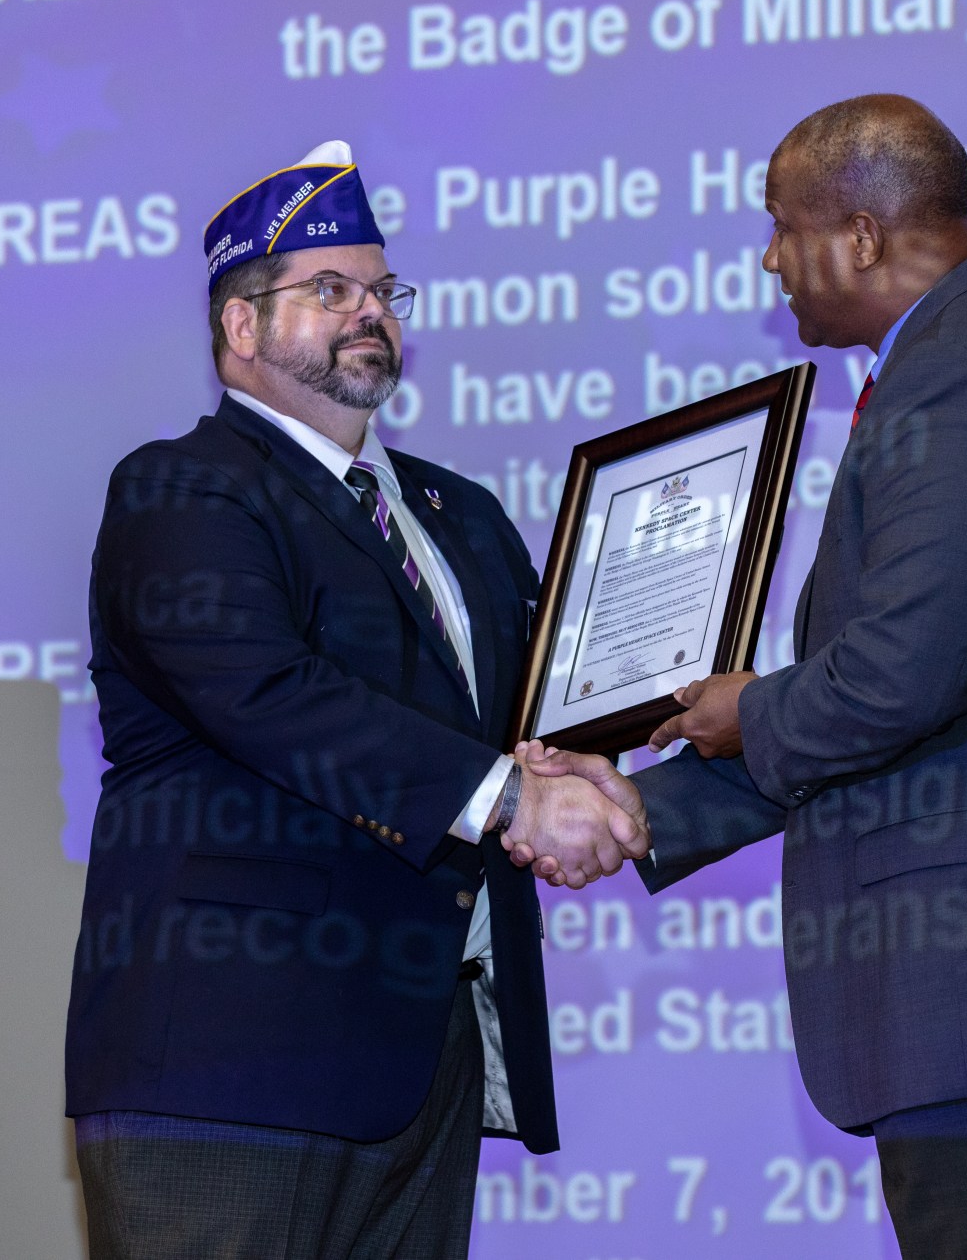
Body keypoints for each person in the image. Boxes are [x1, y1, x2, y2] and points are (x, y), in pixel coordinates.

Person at [522, 96, 967, 1258]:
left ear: (858, 235)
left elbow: (893, 683)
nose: (766, 257)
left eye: (779, 224)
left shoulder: (963, 380)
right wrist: (641, 809)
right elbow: (911, 702)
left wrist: (744, 705)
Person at [64, 141, 647, 1260]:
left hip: (420, 1061)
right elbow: (265, 693)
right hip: (230, 1067)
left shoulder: (458, 513)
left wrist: (642, 723)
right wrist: (514, 804)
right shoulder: (185, 487)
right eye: (328, 289)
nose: (367, 311)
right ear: (240, 327)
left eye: (381, 291)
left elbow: (537, 716)